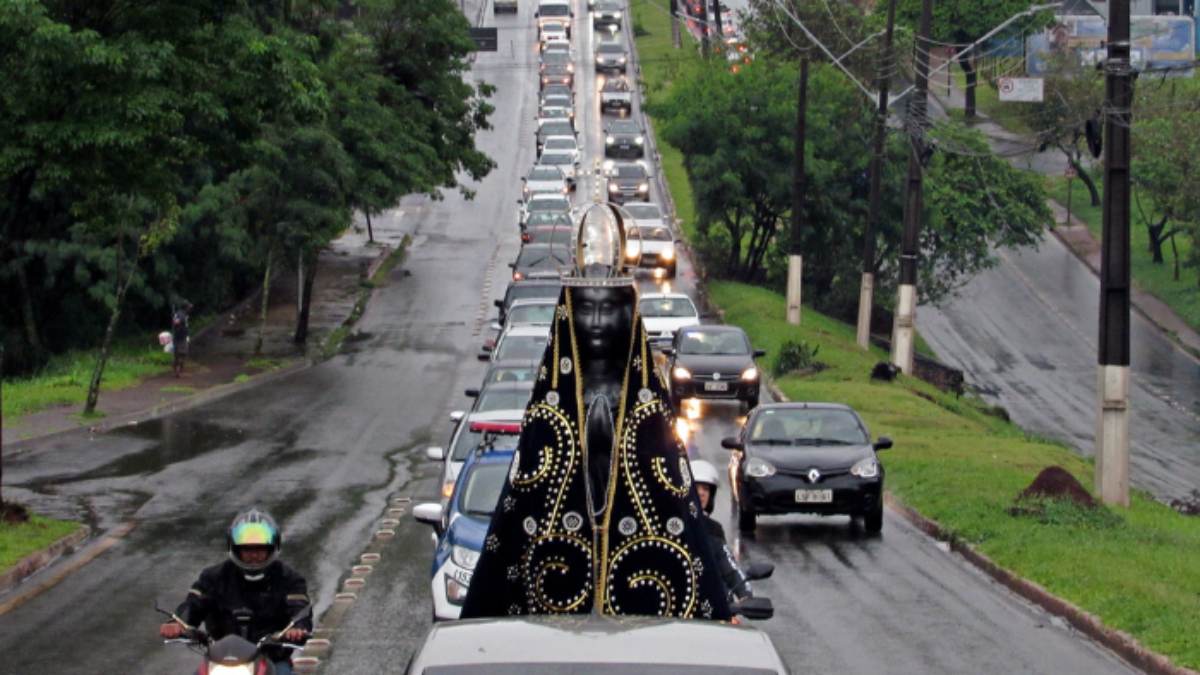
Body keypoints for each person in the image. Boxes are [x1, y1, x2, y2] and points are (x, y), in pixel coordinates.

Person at [159, 509, 310, 674]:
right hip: (222, 658)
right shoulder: (213, 577)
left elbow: (300, 608)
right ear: (236, 549)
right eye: (247, 550)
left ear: (272, 548)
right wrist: (178, 623)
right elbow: (194, 603)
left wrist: (297, 628)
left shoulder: (289, 579)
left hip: (272, 657)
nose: (253, 556)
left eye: (260, 549)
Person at [689, 459, 753, 602]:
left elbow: (728, 566)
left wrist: (745, 594)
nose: (701, 493)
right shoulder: (672, 525)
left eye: (705, 489)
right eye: (696, 488)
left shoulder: (713, 529)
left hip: (713, 607)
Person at [170, 302, 192, 378]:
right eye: (189, 307)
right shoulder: (181, 314)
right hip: (180, 337)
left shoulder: (183, 314)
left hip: (181, 336)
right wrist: (178, 321)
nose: (190, 309)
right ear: (185, 308)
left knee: (180, 354)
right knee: (181, 353)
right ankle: (178, 368)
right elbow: (176, 322)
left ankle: (177, 368)